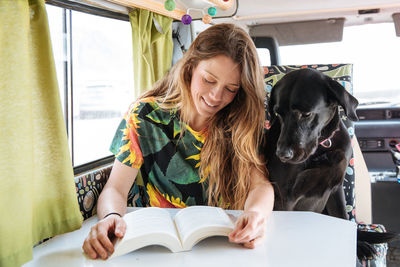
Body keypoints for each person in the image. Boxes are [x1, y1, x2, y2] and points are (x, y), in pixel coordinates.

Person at [82, 23, 274, 260]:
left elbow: (260, 185)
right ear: (190, 67)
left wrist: (256, 214)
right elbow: (115, 189)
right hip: (156, 249)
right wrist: (112, 216)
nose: (216, 97)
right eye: (209, 80)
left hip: (223, 246)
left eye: (231, 89)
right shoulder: (143, 116)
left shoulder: (240, 121)